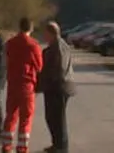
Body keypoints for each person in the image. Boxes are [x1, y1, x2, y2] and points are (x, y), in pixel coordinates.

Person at [2, 17, 44, 153]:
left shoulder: (10, 43)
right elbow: (39, 66)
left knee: (11, 115)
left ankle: (6, 146)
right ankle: (22, 147)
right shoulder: (33, 45)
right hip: (27, 85)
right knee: (26, 117)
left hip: (13, 83)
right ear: (31, 29)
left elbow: (6, 60)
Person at [39, 21, 75, 153]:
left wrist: (47, 81)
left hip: (58, 87)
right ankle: (56, 143)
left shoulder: (59, 47)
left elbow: (59, 69)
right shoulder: (55, 46)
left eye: (45, 33)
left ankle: (61, 146)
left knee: (58, 118)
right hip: (55, 87)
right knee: (51, 117)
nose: (44, 36)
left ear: (51, 33)